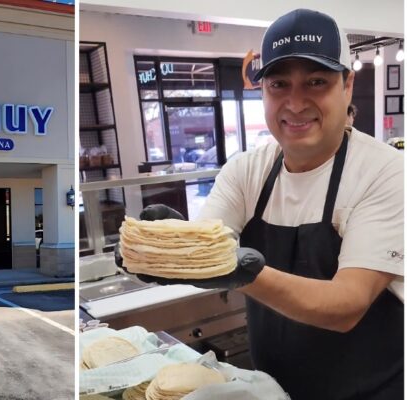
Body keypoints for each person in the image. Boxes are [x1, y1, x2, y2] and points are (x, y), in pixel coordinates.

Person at [122, 9, 404, 400]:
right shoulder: (245, 171)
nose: (295, 102)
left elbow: (346, 306)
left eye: (317, 82)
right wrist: (161, 249)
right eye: (278, 84)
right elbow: (203, 252)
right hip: (273, 391)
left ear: (347, 85)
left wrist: (243, 272)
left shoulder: (386, 173)